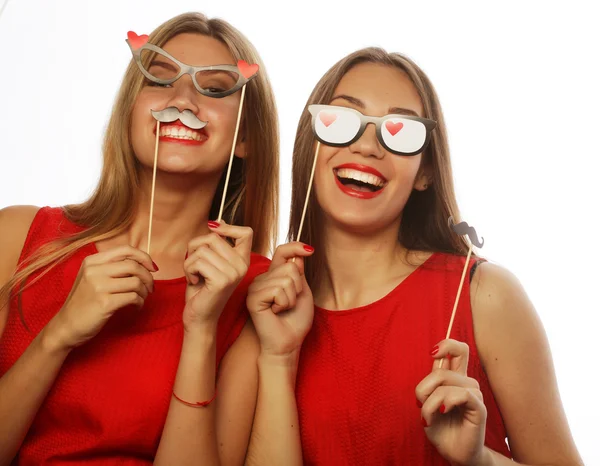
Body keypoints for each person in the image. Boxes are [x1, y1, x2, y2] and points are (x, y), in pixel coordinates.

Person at [245, 48, 583, 465]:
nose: (367, 146)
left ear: (424, 171)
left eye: (400, 131)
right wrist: (278, 360)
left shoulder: (485, 295)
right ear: (310, 144)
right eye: (342, 121)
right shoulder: (267, 309)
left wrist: (481, 461)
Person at [0, 12, 278, 465]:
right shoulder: (17, 237)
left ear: (244, 136)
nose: (183, 100)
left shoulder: (256, 290)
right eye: (160, 79)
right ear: (131, 109)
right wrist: (59, 336)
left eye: (213, 89)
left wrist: (200, 329)